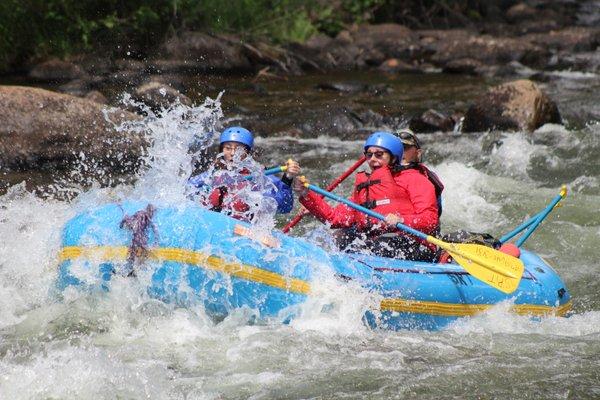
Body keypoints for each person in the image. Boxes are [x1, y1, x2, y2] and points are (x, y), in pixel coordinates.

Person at [293, 131, 439, 261]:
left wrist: (401, 220)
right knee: (339, 237)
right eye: (369, 155)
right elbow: (335, 218)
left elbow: (430, 220)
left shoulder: (416, 179)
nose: (372, 159)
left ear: (394, 158)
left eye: (379, 155)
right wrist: (306, 195)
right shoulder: (368, 186)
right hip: (377, 243)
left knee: (379, 245)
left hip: (414, 245)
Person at [189, 126, 300, 222]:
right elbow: (186, 188)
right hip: (211, 225)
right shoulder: (211, 175)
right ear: (221, 150)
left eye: (238, 149)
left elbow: (284, 206)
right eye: (228, 148)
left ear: (247, 152)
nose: (233, 153)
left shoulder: (259, 177)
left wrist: (288, 177)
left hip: (240, 230)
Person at [397, 129, 445, 218]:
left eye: (405, 147)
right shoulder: (381, 173)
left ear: (418, 153)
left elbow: (435, 214)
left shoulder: (427, 178)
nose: (400, 151)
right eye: (396, 147)